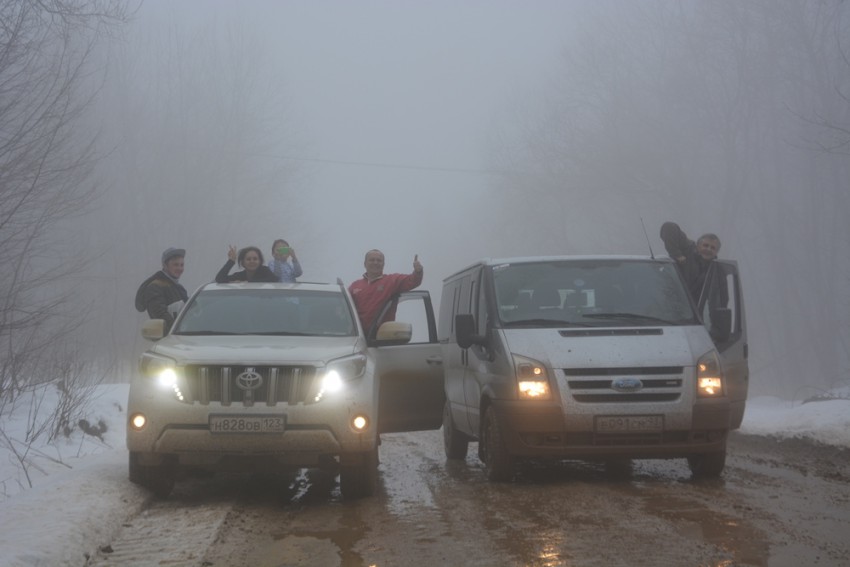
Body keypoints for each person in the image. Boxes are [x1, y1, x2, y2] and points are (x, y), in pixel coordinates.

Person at [348, 249, 423, 330]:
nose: (375, 262)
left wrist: (418, 272)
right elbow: (344, 308)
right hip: (356, 334)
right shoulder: (355, 285)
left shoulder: (392, 281)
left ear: (383, 264)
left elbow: (412, 281)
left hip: (382, 335)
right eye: (372, 260)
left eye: (379, 260)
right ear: (365, 264)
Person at [660, 221, 721, 302]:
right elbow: (669, 227)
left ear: (716, 252)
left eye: (713, 248)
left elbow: (719, 299)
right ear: (698, 245)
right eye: (705, 245)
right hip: (669, 302)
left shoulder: (715, 271)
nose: (708, 249)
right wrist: (677, 254)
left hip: (692, 308)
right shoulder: (688, 250)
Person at [135, 247, 189, 334]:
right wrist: (179, 330)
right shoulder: (155, 287)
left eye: (182, 265)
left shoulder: (179, 288)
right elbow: (160, 316)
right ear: (165, 265)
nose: (180, 268)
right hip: (170, 339)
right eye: (175, 265)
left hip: (183, 337)